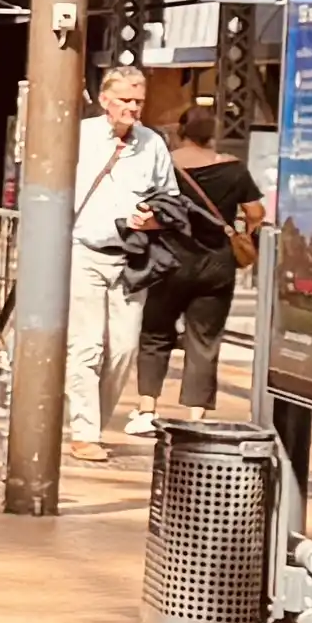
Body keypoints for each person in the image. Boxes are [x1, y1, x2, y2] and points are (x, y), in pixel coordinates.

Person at [61, 63, 185, 460]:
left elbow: (171, 197)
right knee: (86, 346)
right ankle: (85, 431)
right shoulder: (79, 138)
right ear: (105, 101)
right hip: (84, 251)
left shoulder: (153, 144)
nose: (133, 108)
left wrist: (152, 217)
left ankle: (93, 419)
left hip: (131, 258)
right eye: (126, 101)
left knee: (124, 348)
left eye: (139, 101)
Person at [132, 102, 260, 417]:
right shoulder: (233, 168)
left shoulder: (166, 166)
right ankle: (195, 414)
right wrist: (242, 230)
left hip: (169, 262)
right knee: (204, 338)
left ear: (182, 131)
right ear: (212, 134)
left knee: (155, 334)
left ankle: (147, 409)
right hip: (216, 265)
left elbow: (143, 206)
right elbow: (257, 212)